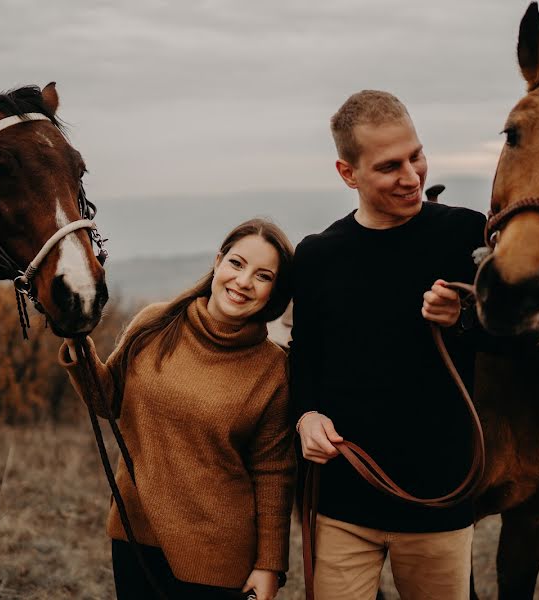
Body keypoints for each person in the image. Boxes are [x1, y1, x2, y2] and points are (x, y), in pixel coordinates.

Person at [291, 90, 485, 600]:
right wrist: (306, 415)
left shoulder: (468, 235)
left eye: (416, 155)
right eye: (389, 166)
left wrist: (464, 318)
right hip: (341, 505)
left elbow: (521, 343)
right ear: (347, 173)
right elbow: (306, 358)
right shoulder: (316, 256)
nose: (412, 176)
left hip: (438, 501)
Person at [59, 218, 296, 600]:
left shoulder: (272, 369)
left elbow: (273, 474)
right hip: (135, 534)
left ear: (274, 291)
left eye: (263, 275)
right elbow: (109, 400)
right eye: (236, 263)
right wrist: (78, 344)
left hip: (217, 556)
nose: (243, 282)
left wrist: (269, 564)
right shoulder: (157, 322)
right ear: (218, 262)